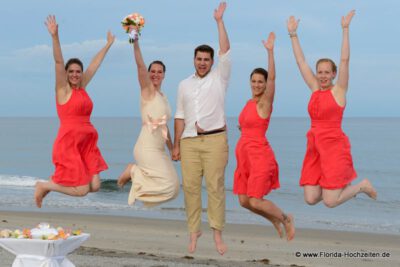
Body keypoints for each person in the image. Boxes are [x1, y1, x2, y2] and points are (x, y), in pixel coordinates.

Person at [287, 10, 377, 208]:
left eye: (327, 72)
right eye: (320, 72)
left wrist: (345, 29)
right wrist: (293, 35)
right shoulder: (314, 88)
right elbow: (300, 62)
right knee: (310, 198)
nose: (322, 76)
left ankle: (361, 186)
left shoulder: (339, 91)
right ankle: (336, 189)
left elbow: (345, 60)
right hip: (314, 148)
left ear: (334, 74)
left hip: (334, 148)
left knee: (329, 201)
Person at [34, 15, 114, 208]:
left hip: (87, 143)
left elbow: (95, 65)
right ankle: (45, 185)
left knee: (95, 186)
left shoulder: (82, 87)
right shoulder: (63, 90)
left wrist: (108, 44)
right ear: (67, 74)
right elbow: (59, 62)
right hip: (69, 143)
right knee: (82, 190)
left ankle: (47, 185)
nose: (75, 74)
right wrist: (55, 36)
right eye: (71, 72)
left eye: (78, 71)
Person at [173, 2, 230, 255]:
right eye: (199, 59)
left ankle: (217, 233)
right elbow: (179, 115)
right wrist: (175, 145)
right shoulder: (184, 84)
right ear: (194, 60)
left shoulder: (220, 77)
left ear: (212, 61)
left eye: (207, 59)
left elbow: (226, 49)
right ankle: (194, 231)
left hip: (215, 139)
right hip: (189, 140)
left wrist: (219, 21)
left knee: (216, 187)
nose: (203, 62)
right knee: (191, 189)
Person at [233, 32, 295, 241]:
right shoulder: (249, 103)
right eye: (254, 81)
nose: (257, 84)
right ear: (250, 82)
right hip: (244, 158)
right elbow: (246, 126)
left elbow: (274, 78)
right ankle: (273, 219)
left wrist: (270, 52)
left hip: (259, 155)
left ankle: (286, 218)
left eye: (261, 82)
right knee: (244, 201)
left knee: (256, 200)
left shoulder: (264, 103)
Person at [116, 34, 179, 207]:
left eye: (159, 72)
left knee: (173, 187)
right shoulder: (147, 91)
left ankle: (135, 174)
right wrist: (135, 42)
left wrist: (173, 148)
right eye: (153, 71)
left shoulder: (163, 97)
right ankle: (133, 171)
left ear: (164, 75)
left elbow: (163, 127)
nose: (155, 74)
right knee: (167, 185)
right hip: (146, 146)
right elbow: (140, 66)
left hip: (159, 148)